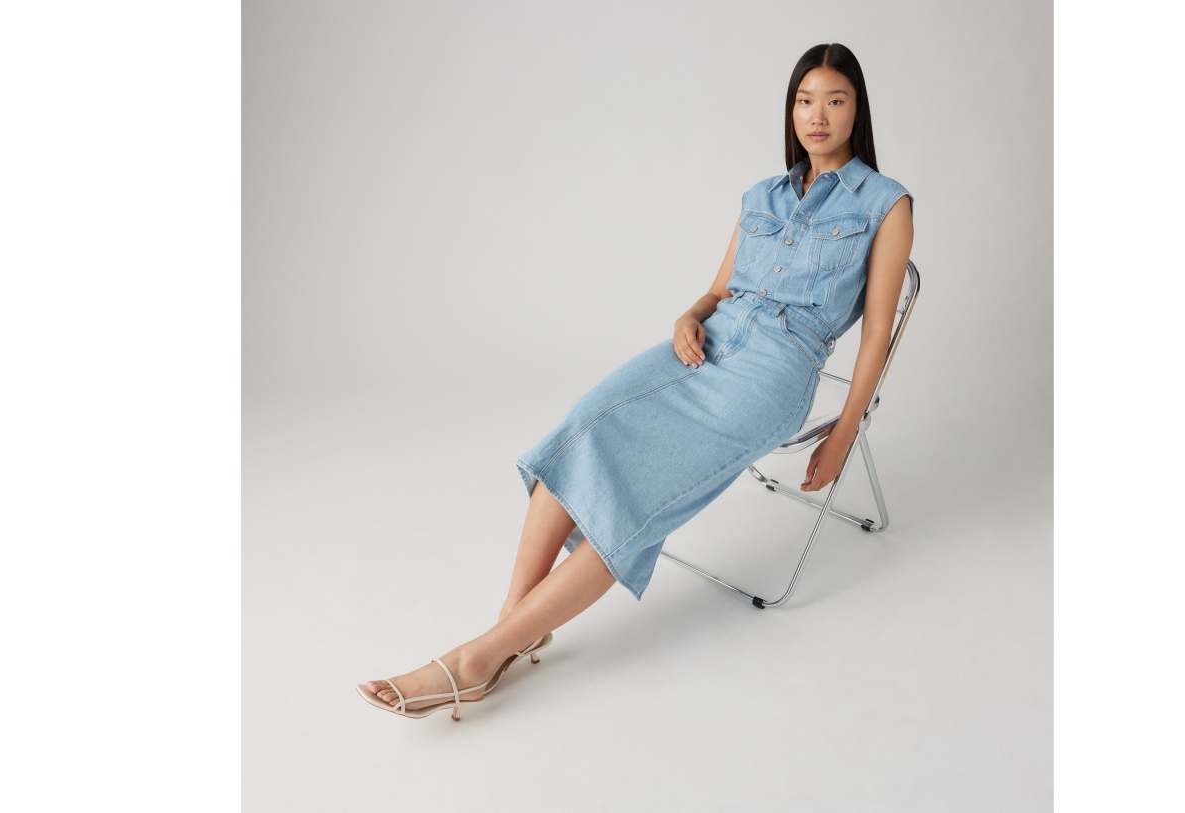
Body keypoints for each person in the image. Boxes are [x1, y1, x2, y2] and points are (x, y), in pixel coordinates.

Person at [357, 42, 915, 720]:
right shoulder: (761, 195)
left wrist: (845, 431)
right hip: (707, 342)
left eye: (834, 101)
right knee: (583, 426)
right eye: (804, 101)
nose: (817, 116)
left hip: (773, 372)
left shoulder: (885, 204)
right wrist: (687, 317)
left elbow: (876, 334)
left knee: (636, 494)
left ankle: (476, 660)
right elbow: (717, 291)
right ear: (790, 110)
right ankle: (511, 625)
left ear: (857, 110)